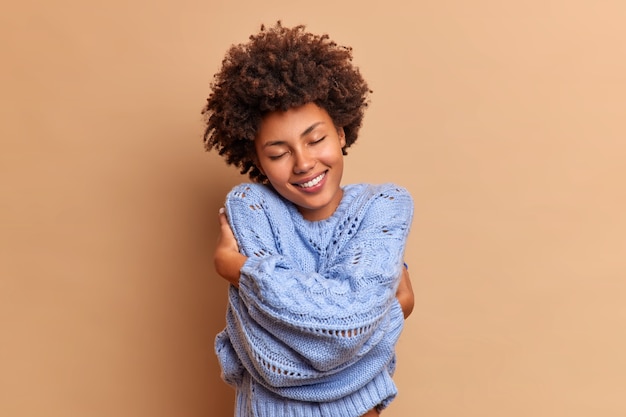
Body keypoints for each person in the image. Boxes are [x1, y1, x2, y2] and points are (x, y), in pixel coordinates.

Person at [202, 21, 415, 417]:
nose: (303, 163)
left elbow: (346, 325)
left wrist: (244, 270)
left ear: (341, 132)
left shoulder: (384, 205)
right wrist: (389, 315)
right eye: (278, 153)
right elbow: (268, 359)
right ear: (256, 161)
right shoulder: (251, 206)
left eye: (316, 140)